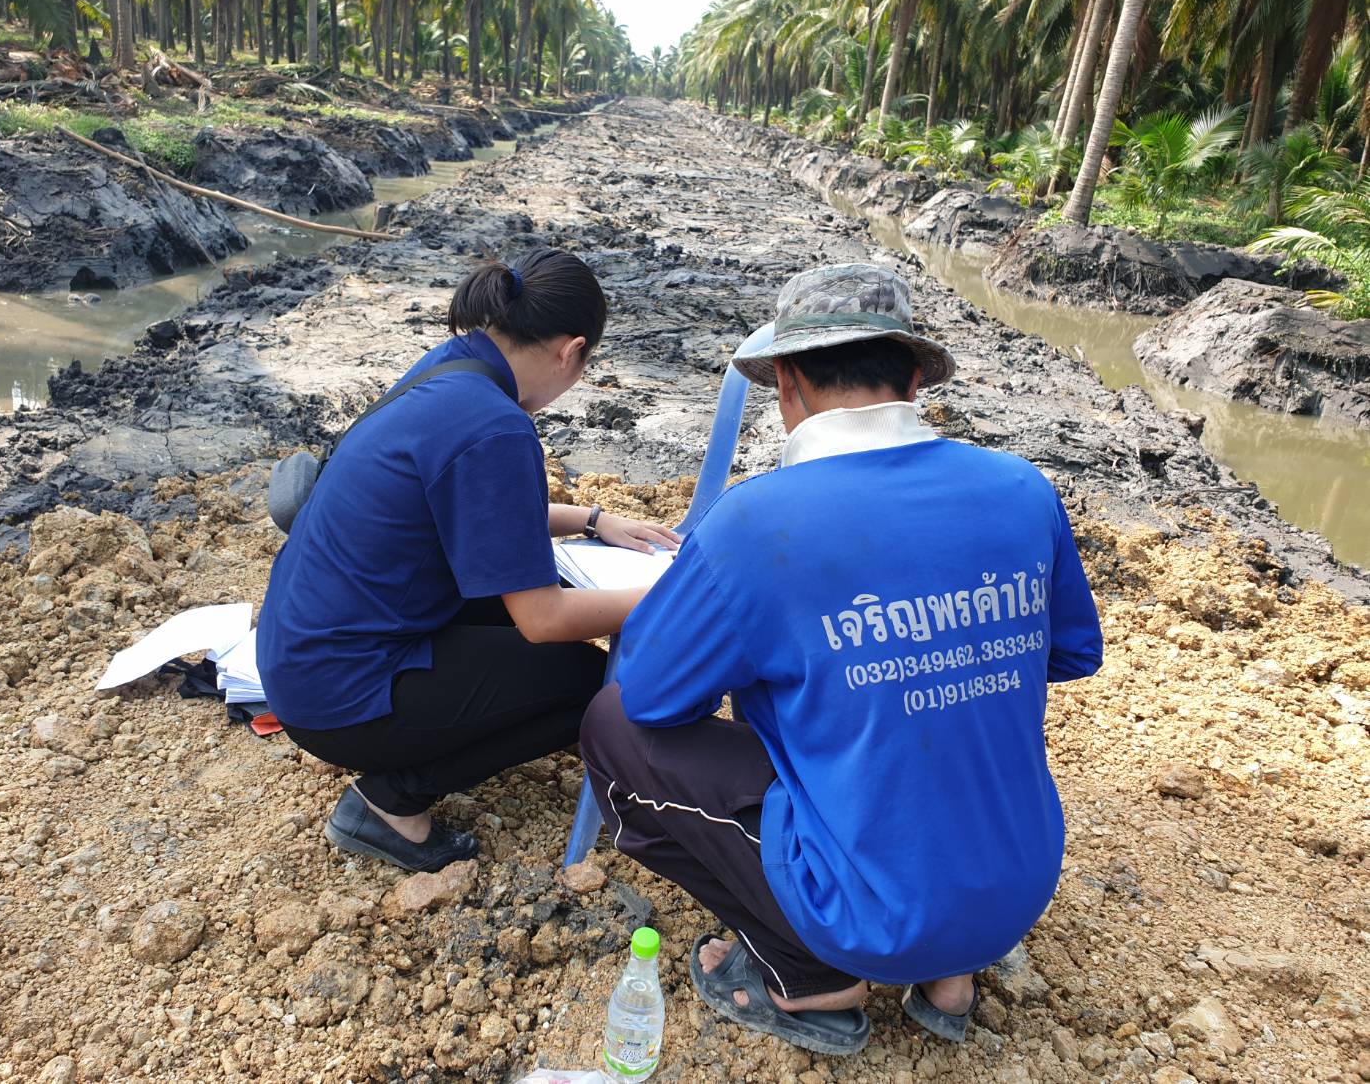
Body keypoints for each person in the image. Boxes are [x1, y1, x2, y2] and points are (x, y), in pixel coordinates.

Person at [579, 263, 1104, 1056]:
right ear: (915, 378)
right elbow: (1065, 652)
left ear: (786, 383)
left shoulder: (755, 521)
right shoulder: (1021, 488)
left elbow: (653, 695)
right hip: (1017, 887)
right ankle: (953, 971)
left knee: (613, 723)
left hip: (874, 918)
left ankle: (808, 978)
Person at [257, 249, 679, 873]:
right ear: (572, 352)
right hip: (341, 696)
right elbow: (542, 618)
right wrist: (675, 597)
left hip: (302, 655)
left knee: (525, 618)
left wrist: (591, 520)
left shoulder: (453, 369)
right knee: (592, 686)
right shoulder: (495, 425)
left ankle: (480, 723)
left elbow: (471, 505)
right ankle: (390, 802)